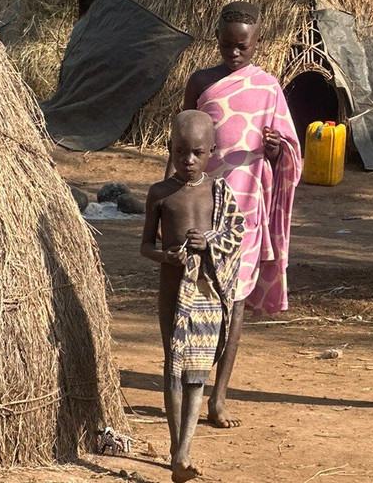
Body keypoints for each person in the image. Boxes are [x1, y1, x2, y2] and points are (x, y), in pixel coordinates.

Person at [182, 1, 301, 429]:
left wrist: (274, 149)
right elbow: (181, 143)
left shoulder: (268, 87)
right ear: (217, 40)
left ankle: (220, 397)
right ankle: (186, 387)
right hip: (199, 206)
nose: (235, 54)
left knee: (234, 306)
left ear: (256, 45)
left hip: (246, 210)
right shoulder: (201, 82)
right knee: (194, 298)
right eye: (228, 45)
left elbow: (287, 148)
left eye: (244, 47)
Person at [141, 110, 245, 482]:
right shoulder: (160, 193)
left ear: (211, 152)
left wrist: (209, 243)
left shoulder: (219, 192)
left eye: (196, 153)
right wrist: (165, 257)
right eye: (180, 151)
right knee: (173, 366)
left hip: (205, 293)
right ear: (170, 148)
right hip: (172, 289)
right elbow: (144, 246)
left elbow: (237, 231)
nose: (187, 160)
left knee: (197, 373)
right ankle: (175, 449)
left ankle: (184, 449)